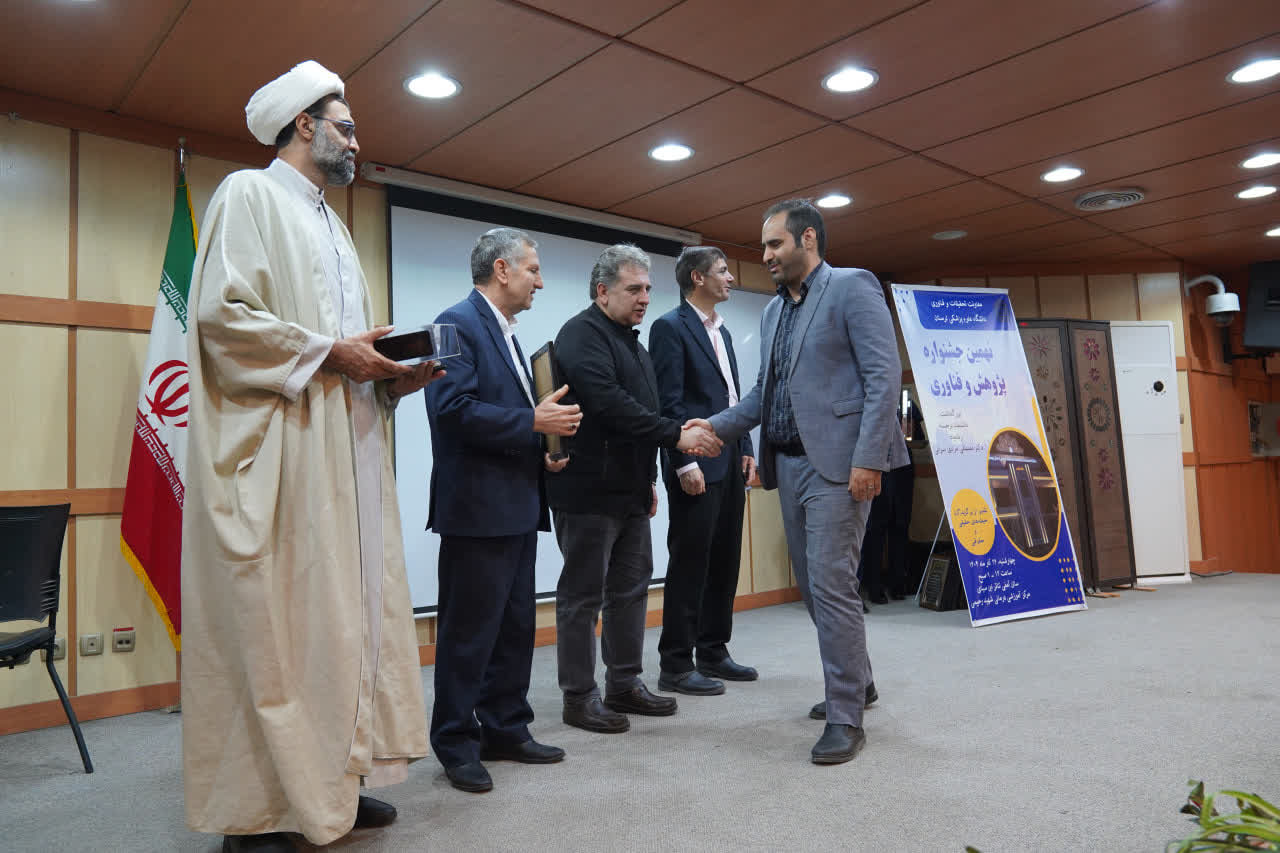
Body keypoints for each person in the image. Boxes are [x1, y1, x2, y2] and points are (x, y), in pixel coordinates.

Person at [181, 61, 441, 852]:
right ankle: (259, 811)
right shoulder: (249, 195)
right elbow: (224, 319)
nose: (357, 143)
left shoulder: (335, 226)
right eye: (346, 127)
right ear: (304, 125)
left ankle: (335, 784)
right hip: (282, 455)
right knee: (279, 628)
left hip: (346, 454)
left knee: (342, 623)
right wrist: (333, 353)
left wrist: (389, 375)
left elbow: (347, 351)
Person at [697, 199, 908, 765]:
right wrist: (713, 427)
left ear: (808, 239)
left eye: (775, 244)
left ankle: (845, 715)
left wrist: (869, 459)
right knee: (815, 588)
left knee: (831, 583)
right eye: (764, 246)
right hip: (788, 465)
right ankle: (859, 681)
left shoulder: (852, 287)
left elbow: (883, 376)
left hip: (840, 465)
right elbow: (762, 395)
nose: (766, 255)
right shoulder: (773, 312)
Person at [424, 228, 580, 794]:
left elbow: (502, 417)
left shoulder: (509, 333)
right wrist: (535, 422)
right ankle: (455, 742)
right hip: (476, 510)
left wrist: (545, 451)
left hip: (515, 504)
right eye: (533, 269)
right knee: (469, 635)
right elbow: (451, 410)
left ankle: (506, 728)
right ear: (502, 269)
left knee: (514, 629)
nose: (540, 281)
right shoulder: (453, 324)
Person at [547, 244, 722, 734]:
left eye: (647, 288)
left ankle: (624, 683)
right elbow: (610, 406)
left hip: (628, 493)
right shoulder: (580, 335)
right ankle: (579, 697)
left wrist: (648, 480)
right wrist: (676, 436)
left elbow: (646, 413)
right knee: (582, 596)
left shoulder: (634, 345)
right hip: (587, 493)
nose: (645, 297)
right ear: (602, 291)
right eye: (634, 289)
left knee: (630, 590)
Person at [649, 246, 757, 696]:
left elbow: (733, 397)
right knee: (691, 560)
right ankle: (676, 662)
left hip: (729, 458)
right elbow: (668, 403)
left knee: (726, 558)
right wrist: (683, 462)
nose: (730, 278)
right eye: (722, 271)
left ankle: (713, 649)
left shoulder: (722, 331)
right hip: (694, 460)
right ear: (697, 277)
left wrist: (745, 445)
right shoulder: (669, 328)